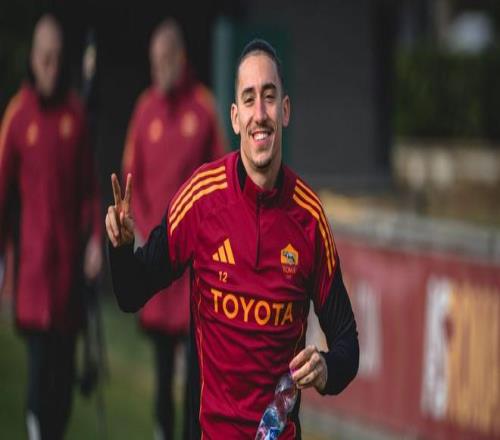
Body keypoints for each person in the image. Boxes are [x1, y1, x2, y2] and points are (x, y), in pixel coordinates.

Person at [106, 39, 359, 439]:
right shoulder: (201, 198)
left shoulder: (310, 219)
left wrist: (326, 369)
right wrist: (121, 249)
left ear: (285, 111)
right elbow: (131, 291)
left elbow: (347, 344)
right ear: (236, 117)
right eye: (249, 99)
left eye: (269, 97)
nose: (260, 114)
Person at [121, 19, 225, 440]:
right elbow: (132, 179)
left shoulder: (204, 108)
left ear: (180, 58)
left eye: (164, 59)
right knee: (163, 373)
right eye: (153, 61)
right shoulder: (144, 109)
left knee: (197, 376)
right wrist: (145, 231)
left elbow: (221, 182)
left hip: (195, 271)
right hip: (159, 262)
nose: (158, 69)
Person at [0, 14, 102, 439]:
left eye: (58, 59)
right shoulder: (18, 116)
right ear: (33, 58)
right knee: (39, 386)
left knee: (62, 394)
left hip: (68, 281)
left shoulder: (75, 117)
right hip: (32, 276)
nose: (52, 68)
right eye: (45, 58)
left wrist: (95, 241)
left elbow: (91, 191)